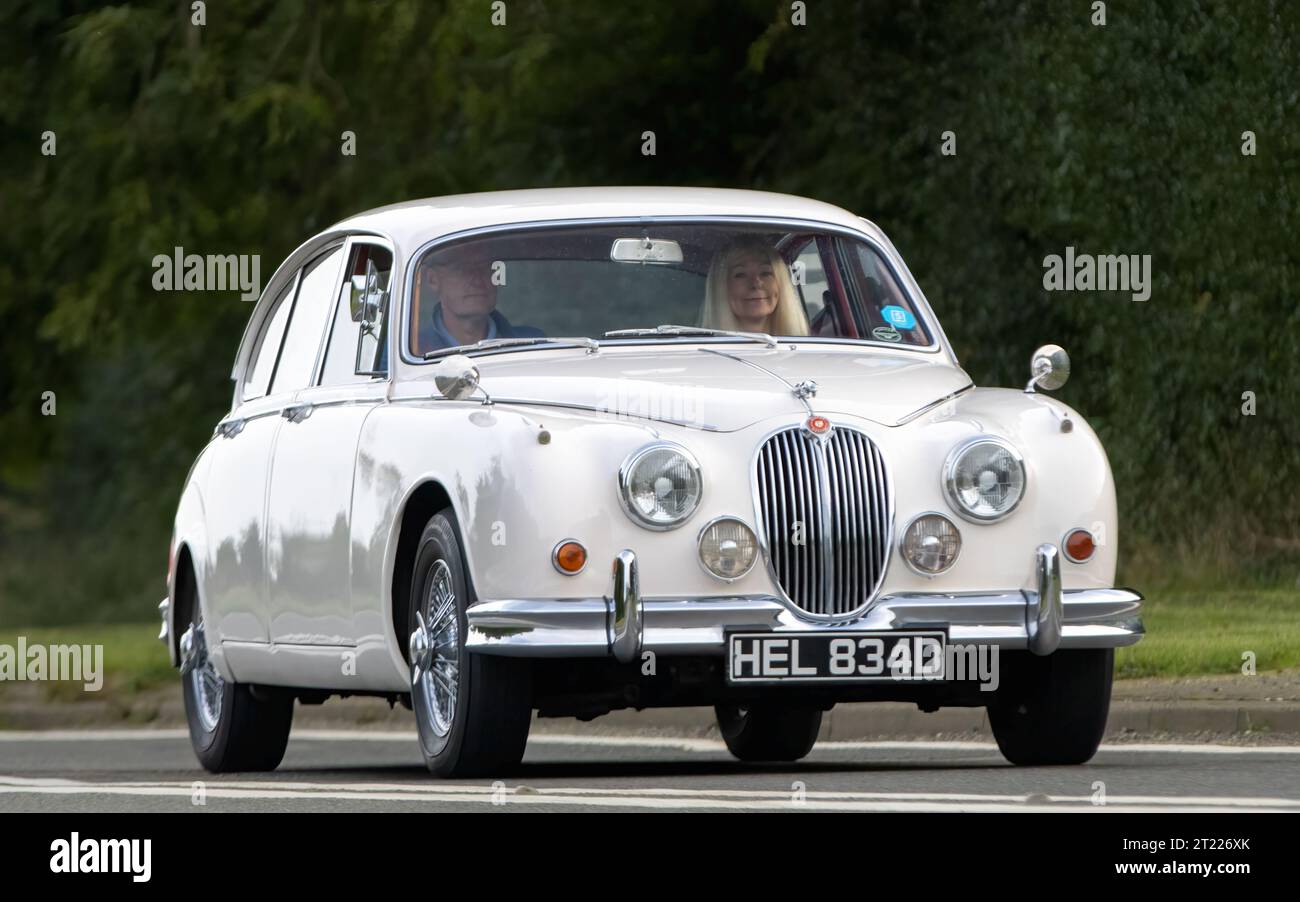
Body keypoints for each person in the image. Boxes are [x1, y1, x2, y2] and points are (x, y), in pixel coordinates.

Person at [413, 248, 543, 354]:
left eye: (488, 268)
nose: (477, 280)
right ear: (433, 280)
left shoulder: (533, 343)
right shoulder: (416, 348)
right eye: (462, 269)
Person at [699, 236, 810, 336]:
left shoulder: (811, 349)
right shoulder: (700, 354)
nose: (756, 284)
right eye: (741, 275)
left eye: (765, 273)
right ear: (721, 288)